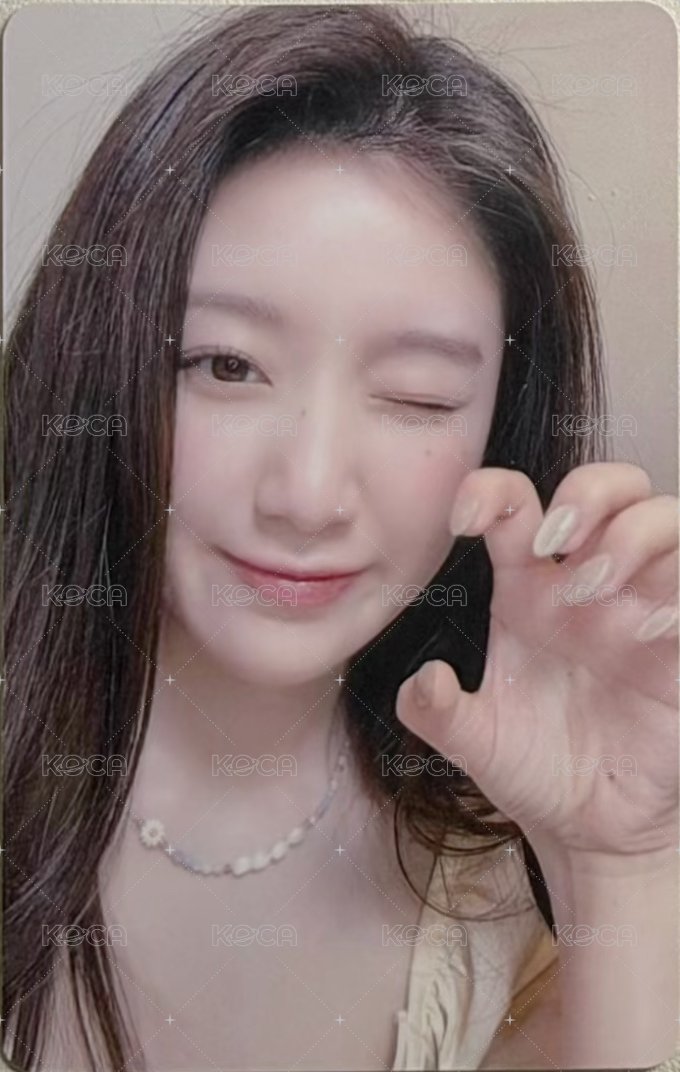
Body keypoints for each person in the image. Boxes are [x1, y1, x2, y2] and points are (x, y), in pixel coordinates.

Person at [3, 5, 677, 1070]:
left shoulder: (489, 891)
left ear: (498, 435)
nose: (309, 494)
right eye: (227, 366)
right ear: (100, 362)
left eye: (415, 397)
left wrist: (618, 864)